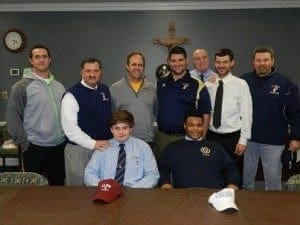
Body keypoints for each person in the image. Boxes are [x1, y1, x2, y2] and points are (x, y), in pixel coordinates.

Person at [241, 47, 300, 190]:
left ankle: (273, 211)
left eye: (266, 60)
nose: (262, 63)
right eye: (258, 60)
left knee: (273, 182)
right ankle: (245, 210)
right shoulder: (243, 81)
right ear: (253, 62)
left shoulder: (285, 83)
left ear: (272, 61)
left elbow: (296, 112)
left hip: (274, 142)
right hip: (248, 140)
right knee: (246, 180)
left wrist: (296, 137)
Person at [6, 45, 65, 185]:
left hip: (58, 146)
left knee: (57, 188)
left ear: (50, 60)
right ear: (31, 61)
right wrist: (25, 144)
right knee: (33, 191)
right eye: (37, 57)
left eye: (44, 57)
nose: (41, 60)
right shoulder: (21, 86)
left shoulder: (59, 86)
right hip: (34, 147)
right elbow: (12, 117)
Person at [61, 57, 112, 186]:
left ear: (101, 72)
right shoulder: (71, 95)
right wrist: (93, 143)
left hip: (102, 149)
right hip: (79, 150)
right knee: (79, 191)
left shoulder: (104, 90)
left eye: (96, 71)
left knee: (102, 187)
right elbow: (70, 130)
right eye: (88, 71)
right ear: (82, 73)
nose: (92, 74)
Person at [206, 48, 252, 187]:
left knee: (234, 175)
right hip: (212, 136)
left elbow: (246, 113)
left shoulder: (241, 84)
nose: (221, 65)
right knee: (213, 173)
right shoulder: (209, 85)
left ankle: (235, 204)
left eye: (225, 62)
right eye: (218, 62)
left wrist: (243, 140)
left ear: (232, 63)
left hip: (233, 139)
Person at [158, 111, 240, 189]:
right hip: (183, 195)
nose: (195, 129)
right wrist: (165, 184)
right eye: (191, 125)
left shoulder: (215, 147)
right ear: (184, 125)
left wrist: (232, 184)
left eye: (199, 125)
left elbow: (231, 168)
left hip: (214, 193)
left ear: (203, 126)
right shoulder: (173, 148)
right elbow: (161, 169)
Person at [155, 46, 211, 158]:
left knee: (186, 173)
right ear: (168, 62)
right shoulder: (160, 83)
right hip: (162, 138)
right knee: (163, 172)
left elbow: (206, 115)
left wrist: (202, 140)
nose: (177, 64)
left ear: (187, 61)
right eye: (173, 60)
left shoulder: (197, 84)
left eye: (180, 60)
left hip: (187, 138)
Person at [84, 110, 159, 187]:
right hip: (107, 192)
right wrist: (104, 187)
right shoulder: (103, 147)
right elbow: (89, 173)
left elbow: (153, 175)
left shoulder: (143, 147)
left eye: (124, 128)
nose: (121, 132)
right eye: (116, 128)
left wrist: (135, 190)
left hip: (135, 193)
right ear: (111, 130)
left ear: (131, 129)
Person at [110, 52, 156, 149]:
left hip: (147, 140)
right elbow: (111, 117)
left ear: (144, 67)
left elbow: (156, 112)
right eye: (133, 64)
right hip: (123, 140)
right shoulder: (114, 89)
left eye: (140, 65)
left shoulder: (151, 88)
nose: (137, 68)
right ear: (127, 66)